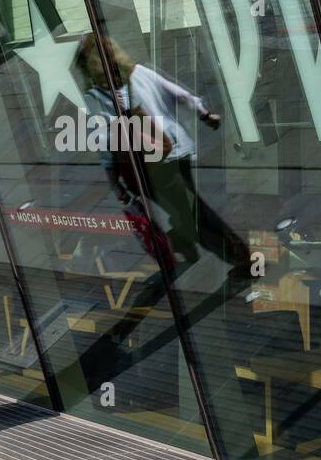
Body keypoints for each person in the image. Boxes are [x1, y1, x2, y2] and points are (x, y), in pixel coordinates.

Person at [75, 34, 254, 284]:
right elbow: (179, 94)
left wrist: (115, 183)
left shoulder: (96, 98)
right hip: (175, 148)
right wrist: (204, 114)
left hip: (148, 166)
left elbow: (107, 142)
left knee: (193, 213)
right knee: (190, 208)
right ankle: (226, 252)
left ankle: (242, 258)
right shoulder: (140, 73)